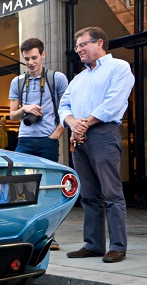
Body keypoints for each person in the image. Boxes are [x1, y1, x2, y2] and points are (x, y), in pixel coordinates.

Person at [58, 26, 135, 263]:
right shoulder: (79, 78)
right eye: (77, 46)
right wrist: (72, 123)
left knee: (112, 193)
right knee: (89, 195)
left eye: (82, 45)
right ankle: (93, 244)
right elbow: (64, 105)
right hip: (79, 138)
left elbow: (113, 103)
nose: (78, 50)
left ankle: (118, 246)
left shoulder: (119, 68)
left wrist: (85, 123)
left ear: (99, 43)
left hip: (103, 132)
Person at [9, 37, 69, 250]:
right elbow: (13, 115)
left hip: (48, 141)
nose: (31, 62)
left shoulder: (57, 78)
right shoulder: (18, 81)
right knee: (18, 188)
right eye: (27, 59)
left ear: (43, 55)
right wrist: (25, 109)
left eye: (34, 57)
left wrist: (56, 135)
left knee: (48, 189)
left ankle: (49, 235)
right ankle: (23, 233)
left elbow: (67, 109)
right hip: (24, 141)